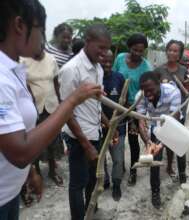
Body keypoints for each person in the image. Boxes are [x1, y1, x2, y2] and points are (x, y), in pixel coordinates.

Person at [0, 1, 103, 219]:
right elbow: (19, 152)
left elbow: (13, 135)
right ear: (20, 25)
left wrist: (30, 172)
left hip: (8, 194)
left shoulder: (14, 70)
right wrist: (72, 101)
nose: (43, 38)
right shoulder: (1, 77)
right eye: (41, 29)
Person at [59, 23, 111, 220]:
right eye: (101, 47)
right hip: (78, 137)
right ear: (87, 42)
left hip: (94, 132)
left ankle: (91, 212)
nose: (105, 53)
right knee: (77, 184)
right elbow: (67, 112)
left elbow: (95, 103)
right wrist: (86, 144)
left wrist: (106, 123)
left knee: (92, 179)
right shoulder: (71, 70)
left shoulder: (97, 67)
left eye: (107, 48)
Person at [136, 71, 182, 208]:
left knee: (180, 150)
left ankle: (183, 176)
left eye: (151, 90)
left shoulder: (173, 92)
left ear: (159, 84)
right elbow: (141, 122)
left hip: (173, 122)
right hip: (156, 125)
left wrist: (162, 143)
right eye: (145, 91)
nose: (147, 93)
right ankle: (155, 192)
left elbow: (175, 118)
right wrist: (148, 142)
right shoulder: (140, 96)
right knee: (154, 159)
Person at [112, 33, 152, 186]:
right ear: (129, 48)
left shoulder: (146, 67)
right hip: (118, 106)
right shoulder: (120, 58)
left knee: (134, 139)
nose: (137, 54)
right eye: (134, 50)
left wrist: (135, 110)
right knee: (117, 137)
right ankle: (119, 165)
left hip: (136, 108)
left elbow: (145, 91)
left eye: (141, 51)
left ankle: (133, 170)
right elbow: (114, 76)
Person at [21, 49, 63, 186]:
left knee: (52, 139)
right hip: (33, 108)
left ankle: (52, 171)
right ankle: (36, 172)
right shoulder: (22, 60)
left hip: (52, 106)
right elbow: (22, 85)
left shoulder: (52, 59)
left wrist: (61, 102)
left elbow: (56, 82)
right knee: (34, 142)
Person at [154, 39, 188, 181]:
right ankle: (164, 168)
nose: (172, 53)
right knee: (161, 143)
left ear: (180, 54)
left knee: (178, 142)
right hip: (162, 114)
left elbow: (187, 91)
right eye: (170, 50)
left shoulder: (184, 70)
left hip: (179, 113)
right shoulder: (159, 70)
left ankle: (179, 173)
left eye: (175, 51)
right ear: (166, 51)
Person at [100, 50, 125, 201]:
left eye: (110, 61)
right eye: (104, 61)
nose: (107, 64)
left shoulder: (119, 77)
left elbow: (124, 102)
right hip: (99, 128)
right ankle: (105, 181)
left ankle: (116, 184)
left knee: (118, 159)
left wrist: (116, 122)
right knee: (100, 158)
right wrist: (105, 123)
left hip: (118, 127)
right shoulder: (93, 78)